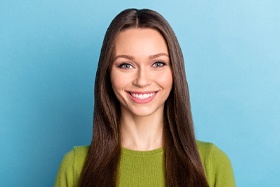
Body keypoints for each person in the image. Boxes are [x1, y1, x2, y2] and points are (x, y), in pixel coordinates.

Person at [55, 8, 235, 187]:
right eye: (126, 65)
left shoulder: (212, 164)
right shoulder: (75, 166)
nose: (142, 80)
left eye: (158, 63)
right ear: (108, 73)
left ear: (175, 71)